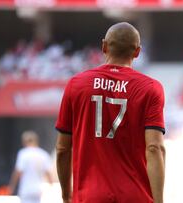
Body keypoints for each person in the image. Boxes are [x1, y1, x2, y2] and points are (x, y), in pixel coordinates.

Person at [55, 22, 166, 203]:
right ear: (137, 52)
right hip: (135, 196)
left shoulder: (76, 84)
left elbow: (62, 148)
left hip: (89, 197)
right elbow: (154, 148)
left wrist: (66, 196)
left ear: (104, 46)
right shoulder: (150, 88)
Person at [9, 131, 53, 203]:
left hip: (26, 189)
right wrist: (51, 187)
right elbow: (48, 173)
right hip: (38, 190)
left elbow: (18, 172)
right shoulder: (43, 154)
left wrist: (12, 187)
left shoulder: (23, 153)